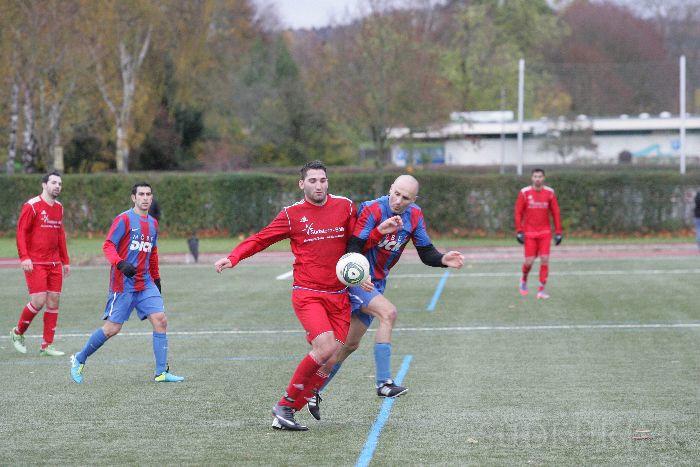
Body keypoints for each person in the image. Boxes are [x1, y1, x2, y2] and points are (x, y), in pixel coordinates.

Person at [215, 160, 376, 432]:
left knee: (332, 357)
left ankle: (287, 412)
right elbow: (262, 238)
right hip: (308, 293)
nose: (319, 185)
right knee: (324, 348)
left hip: (339, 295)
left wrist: (377, 237)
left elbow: (357, 243)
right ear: (302, 184)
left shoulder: (345, 206)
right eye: (312, 181)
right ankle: (284, 404)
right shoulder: (292, 215)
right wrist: (234, 257)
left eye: (323, 180)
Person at [307, 175, 465, 420]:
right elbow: (353, 247)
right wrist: (360, 272)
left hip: (377, 283)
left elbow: (426, 252)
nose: (399, 200)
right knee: (388, 313)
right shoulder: (372, 209)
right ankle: (384, 383)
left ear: (414, 200)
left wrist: (443, 259)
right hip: (357, 279)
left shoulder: (414, 215)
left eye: (406, 198)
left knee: (347, 346)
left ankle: (311, 391)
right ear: (390, 188)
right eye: (396, 193)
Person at [70, 182, 184, 384]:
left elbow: (152, 253)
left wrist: (156, 278)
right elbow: (108, 245)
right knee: (112, 329)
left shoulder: (153, 224)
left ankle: (161, 372)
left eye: (148, 194)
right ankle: (79, 358)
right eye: (141, 194)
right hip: (123, 284)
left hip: (145, 282)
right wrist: (120, 263)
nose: (145, 198)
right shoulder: (123, 219)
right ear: (134, 198)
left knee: (160, 320)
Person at [10, 170, 70, 356]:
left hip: (54, 263)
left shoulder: (59, 207)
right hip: (35, 262)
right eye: (53, 183)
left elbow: (60, 235)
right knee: (38, 301)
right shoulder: (32, 205)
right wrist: (24, 257)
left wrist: (65, 260)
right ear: (44, 185)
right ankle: (17, 333)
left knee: (53, 300)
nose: (57, 186)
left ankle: (46, 345)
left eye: (59, 183)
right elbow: (21, 232)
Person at [514, 168, 562, 299]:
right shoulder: (524, 193)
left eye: (540, 176)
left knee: (545, 259)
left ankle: (541, 290)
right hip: (529, 233)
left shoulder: (550, 193)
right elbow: (518, 212)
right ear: (532, 178)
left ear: (544, 178)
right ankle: (524, 279)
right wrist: (519, 230)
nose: (537, 179)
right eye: (535, 176)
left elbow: (556, 212)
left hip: (545, 233)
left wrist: (558, 232)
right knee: (529, 261)